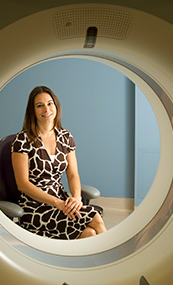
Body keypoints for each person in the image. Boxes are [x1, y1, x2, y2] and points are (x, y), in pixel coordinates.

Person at [11, 86, 106, 239]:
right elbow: (23, 184)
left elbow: (73, 174)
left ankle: (100, 261)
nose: (46, 109)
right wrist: (57, 203)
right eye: (39, 105)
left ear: (56, 106)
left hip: (61, 200)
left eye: (50, 103)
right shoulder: (22, 140)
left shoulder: (66, 137)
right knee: (95, 218)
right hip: (35, 207)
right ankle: (114, 260)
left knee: (90, 233)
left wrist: (76, 198)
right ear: (32, 111)